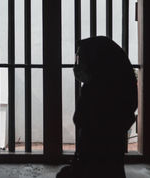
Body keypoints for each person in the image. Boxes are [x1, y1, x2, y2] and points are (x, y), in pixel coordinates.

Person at [57, 36, 138, 178]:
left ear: (94, 60)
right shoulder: (121, 83)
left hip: (92, 153)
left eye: (81, 59)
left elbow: (80, 118)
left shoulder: (96, 88)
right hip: (110, 152)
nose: (78, 65)